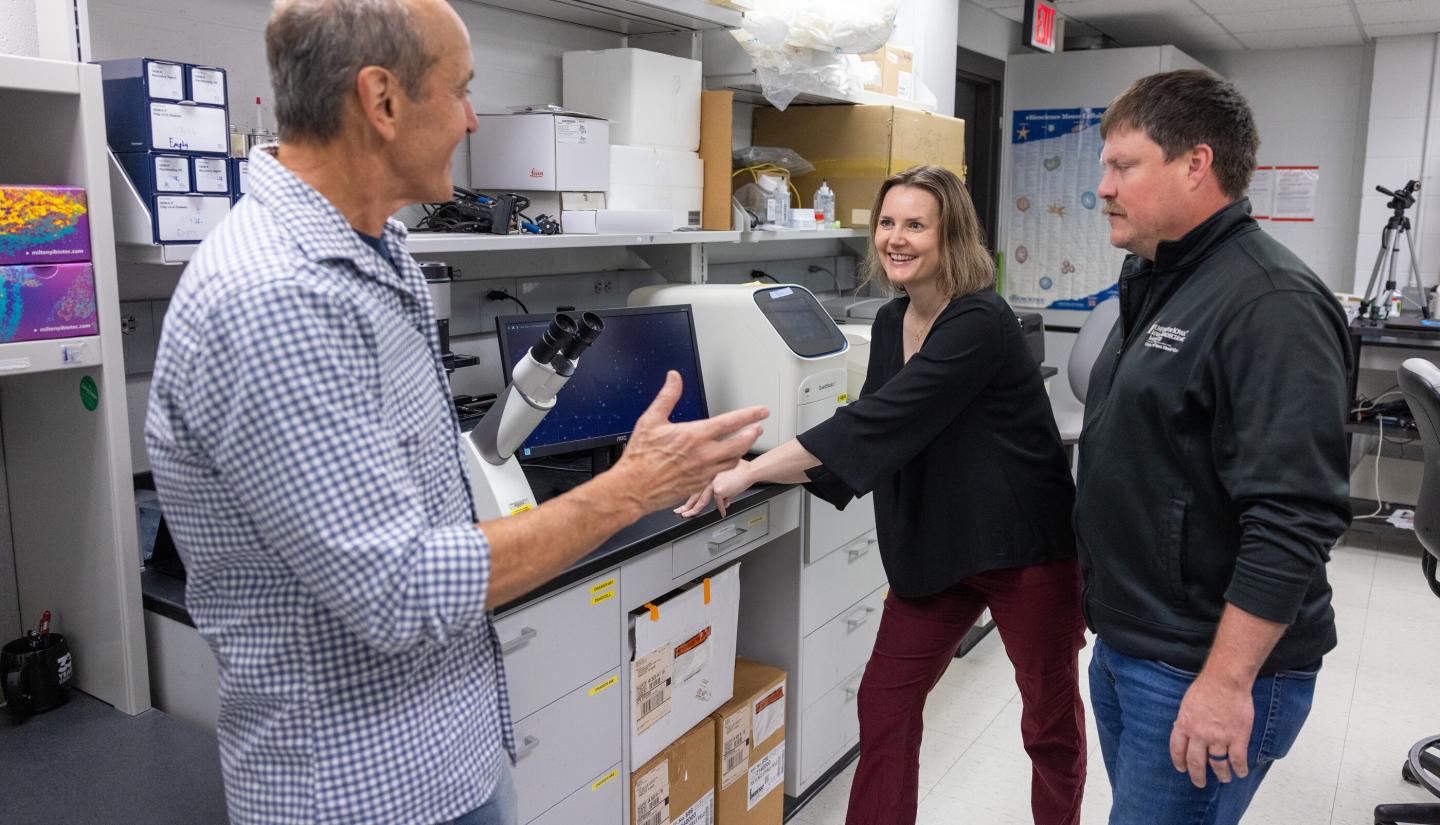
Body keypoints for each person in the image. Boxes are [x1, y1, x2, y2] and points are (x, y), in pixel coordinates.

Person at [143, 1, 766, 823]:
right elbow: (401, 590)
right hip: (361, 795)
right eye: (462, 89)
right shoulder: (275, 299)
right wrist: (627, 489)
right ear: (383, 100)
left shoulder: (380, 248)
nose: (473, 119)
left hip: (448, 756)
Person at [679, 165, 1086, 825]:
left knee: (1049, 718)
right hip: (937, 543)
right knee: (885, 702)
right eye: (888, 223)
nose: (896, 238)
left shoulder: (981, 319)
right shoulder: (895, 319)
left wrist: (750, 471)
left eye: (915, 225)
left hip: (1022, 547)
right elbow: (871, 427)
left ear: (949, 235)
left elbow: (874, 423)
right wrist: (754, 457)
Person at [1077, 69, 1352, 825]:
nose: (1102, 186)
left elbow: (1293, 515)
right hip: (1136, 641)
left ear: (1196, 165)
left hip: (1204, 664)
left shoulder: (1270, 303)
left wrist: (1226, 684)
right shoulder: (1158, 277)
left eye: (1122, 165)